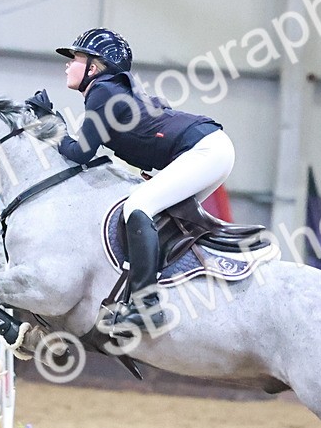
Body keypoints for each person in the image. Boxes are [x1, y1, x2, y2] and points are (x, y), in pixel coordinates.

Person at [56, 28, 235, 332]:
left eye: (76, 58)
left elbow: (81, 152)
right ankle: (164, 292)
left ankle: (146, 305)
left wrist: (52, 129)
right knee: (162, 219)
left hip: (204, 150)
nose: (67, 64)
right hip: (212, 148)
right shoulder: (115, 89)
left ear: (94, 67)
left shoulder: (102, 91)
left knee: (138, 206)